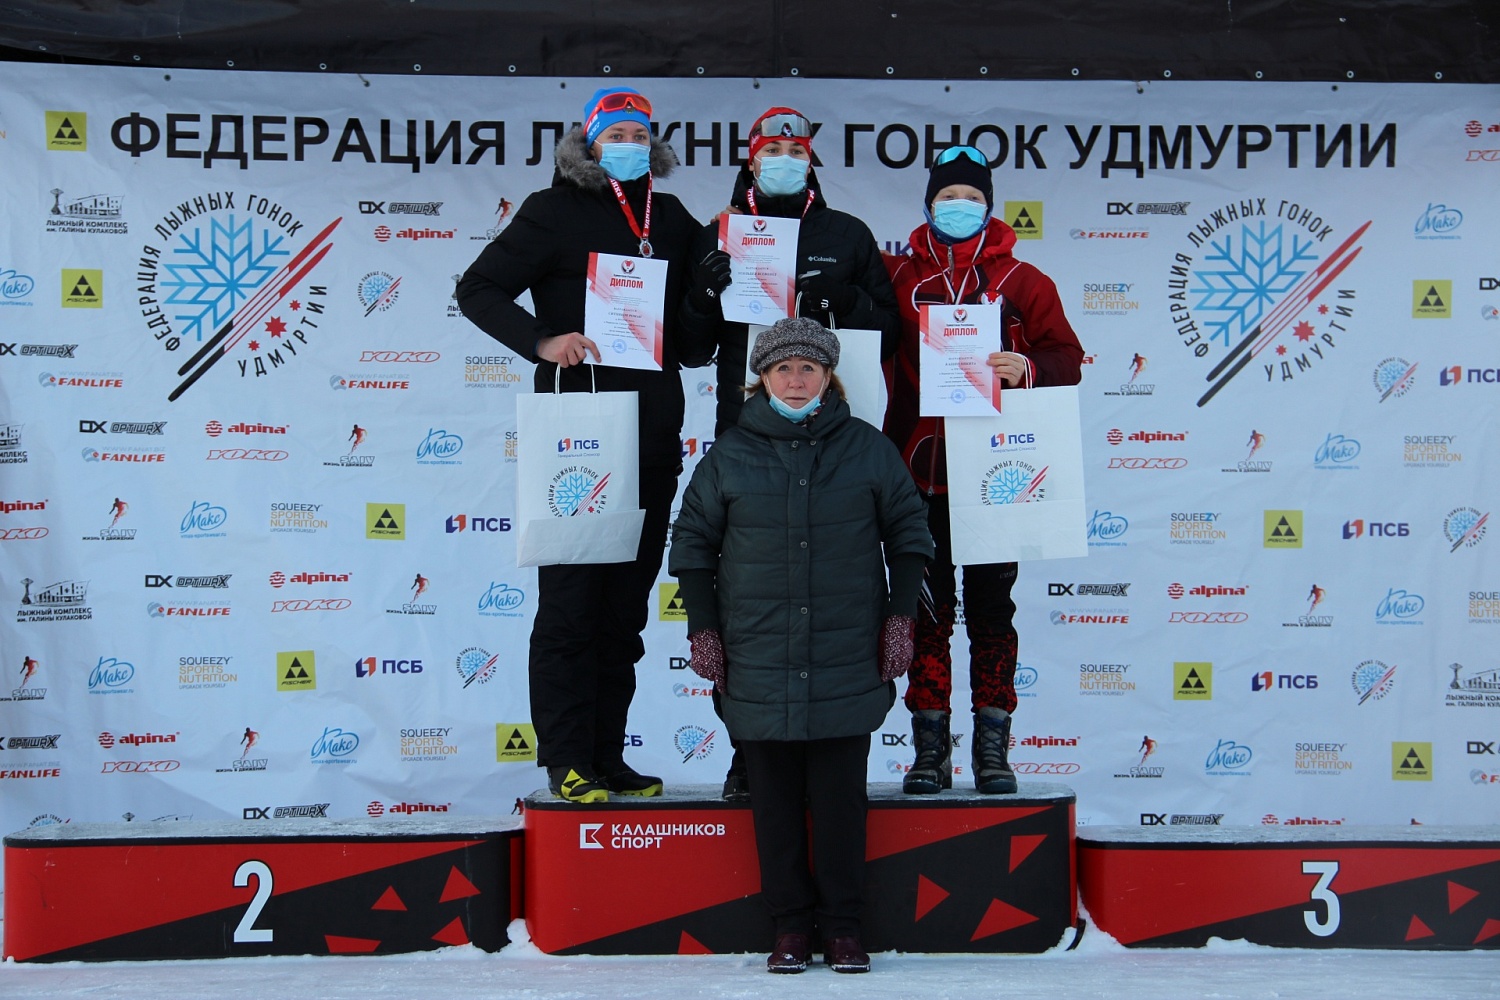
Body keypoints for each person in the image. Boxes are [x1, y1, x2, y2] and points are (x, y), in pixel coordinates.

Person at [457, 87, 704, 803]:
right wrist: (542, 340)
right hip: (579, 436)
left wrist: (702, 297)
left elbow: (688, 347)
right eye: (615, 132)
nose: (628, 142)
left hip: (653, 434)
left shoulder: (675, 218)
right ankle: (567, 760)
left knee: (624, 613)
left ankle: (608, 756)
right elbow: (479, 290)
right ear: (590, 142)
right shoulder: (552, 209)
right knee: (570, 609)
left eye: (639, 132)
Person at [670, 317, 932, 974]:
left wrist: (900, 619)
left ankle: (844, 927)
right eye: (782, 368)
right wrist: (703, 628)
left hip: (847, 656)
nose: (795, 379)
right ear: (759, 376)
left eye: (808, 368)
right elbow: (692, 546)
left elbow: (909, 536)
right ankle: (789, 927)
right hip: (757, 655)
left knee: (843, 803)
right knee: (776, 805)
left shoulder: (868, 449)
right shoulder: (728, 454)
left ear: (828, 376)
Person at [678, 105, 902, 800]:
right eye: (770, 148)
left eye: (794, 148)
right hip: (746, 437)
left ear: (810, 158)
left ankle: (831, 751)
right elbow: (687, 346)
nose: (783, 157)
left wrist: (851, 299)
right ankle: (751, 754)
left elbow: (892, 332)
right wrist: (702, 289)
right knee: (755, 600)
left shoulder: (848, 233)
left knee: (828, 593)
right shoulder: (718, 233)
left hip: (836, 442)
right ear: (751, 158)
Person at [882, 145, 1084, 795]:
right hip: (921, 472)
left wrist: (1027, 368)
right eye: (948, 198)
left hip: (1000, 474)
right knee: (925, 613)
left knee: (994, 611)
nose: (960, 208)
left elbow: (1067, 356)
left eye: (972, 199)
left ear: (989, 207)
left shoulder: (1024, 280)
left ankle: (994, 751)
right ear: (927, 205)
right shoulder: (898, 276)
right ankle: (929, 752)